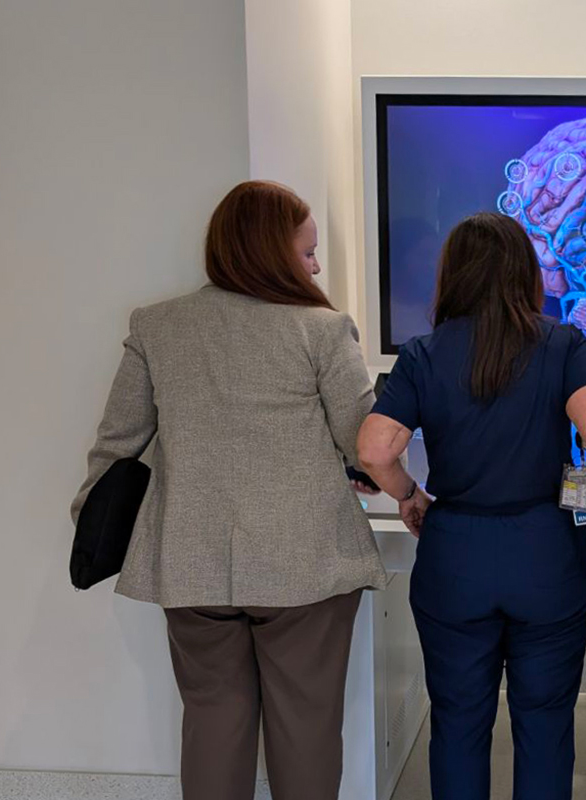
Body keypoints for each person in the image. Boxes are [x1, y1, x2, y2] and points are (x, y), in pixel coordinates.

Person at [70, 181, 386, 800]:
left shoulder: (157, 326)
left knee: (212, 725)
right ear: (271, 252)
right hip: (307, 567)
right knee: (308, 729)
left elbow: (116, 446)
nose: (317, 266)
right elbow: (362, 444)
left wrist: (95, 522)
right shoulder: (322, 330)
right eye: (308, 252)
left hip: (192, 565)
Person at [357, 212, 586, 800]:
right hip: (548, 559)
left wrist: (410, 495)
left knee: (456, 724)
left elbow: (375, 448)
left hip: (454, 557)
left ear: (452, 275)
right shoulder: (563, 343)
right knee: (547, 724)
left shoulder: (425, 354)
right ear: (525, 274)